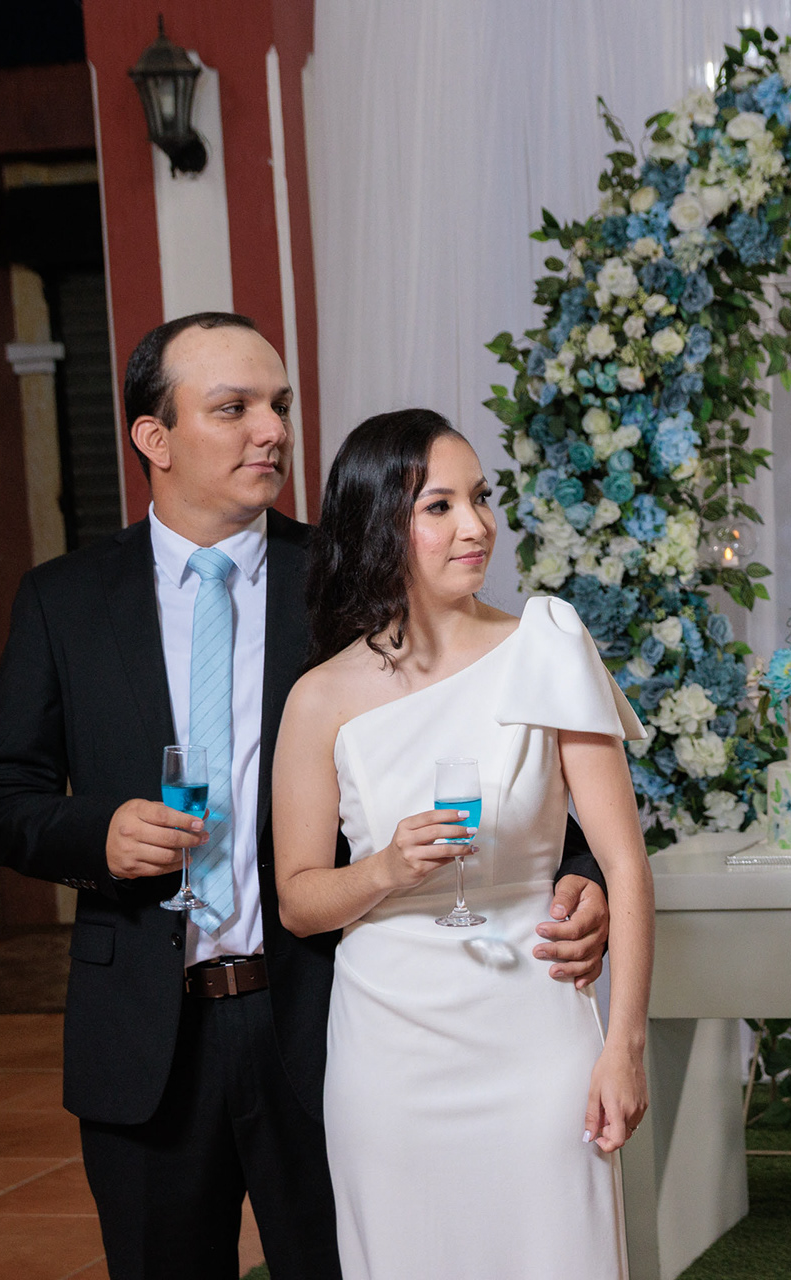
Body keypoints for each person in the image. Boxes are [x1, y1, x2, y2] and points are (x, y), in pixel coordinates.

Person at [0, 313, 612, 1280]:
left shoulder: (352, 580)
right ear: (154, 437)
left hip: (325, 1020)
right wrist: (96, 834)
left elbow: (492, 733)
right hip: (145, 1030)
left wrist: (578, 871)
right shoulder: (64, 600)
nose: (272, 430)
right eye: (234, 409)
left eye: (280, 405)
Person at [271, 409, 653, 1278]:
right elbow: (298, 901)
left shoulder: (548, 645)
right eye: (438, 506)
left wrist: (623, 1047)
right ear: (379, 525)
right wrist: (386, 868)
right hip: (389, 1054)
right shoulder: (320, 698)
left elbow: (625, 865)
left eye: (480, 498)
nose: (476, 526)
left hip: (535, 1033)